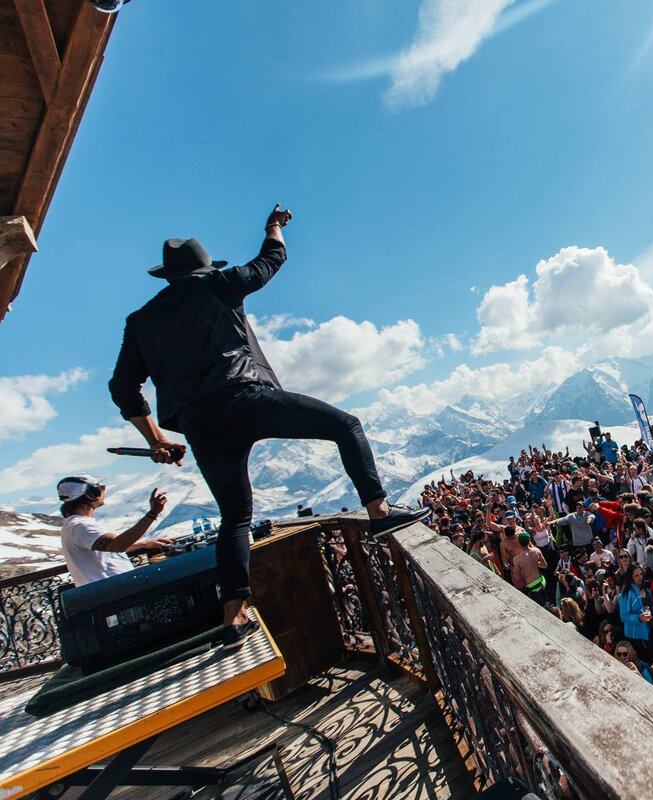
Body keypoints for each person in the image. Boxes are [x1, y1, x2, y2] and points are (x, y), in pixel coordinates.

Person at [108, 207, 429, 648]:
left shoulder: (140, 322)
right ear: (203, 268)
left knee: (235, 518)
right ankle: (379, 512)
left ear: (167, 277)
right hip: (244, 397)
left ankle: (234, 617)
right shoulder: (219, 286)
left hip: (200, 425)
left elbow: (123, 388)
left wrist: (157, 440)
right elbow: (270, 261)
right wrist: (273, 226)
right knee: (346, 425)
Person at [56, 476, 173, 587]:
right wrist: (152, 514)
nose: (103, 491)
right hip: (113, 595)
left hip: (113, 592)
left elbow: (105, 549)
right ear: (91, 494)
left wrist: (145, 544)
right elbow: (117, 545)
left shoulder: (76, 524)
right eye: (100, 488)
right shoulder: (80, 526)